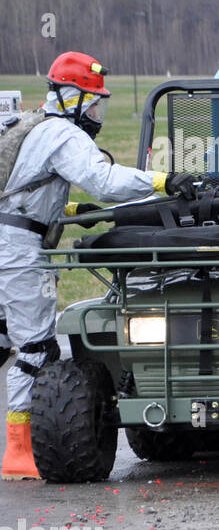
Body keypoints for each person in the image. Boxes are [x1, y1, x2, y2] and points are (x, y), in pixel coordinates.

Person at [1, 51, 196, 481]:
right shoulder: (62, 135)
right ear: (69, 98)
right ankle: (19, 450)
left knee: (2, 340)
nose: (96, 114)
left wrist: (69, 207)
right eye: (92, 103)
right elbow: (106, 183)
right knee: (36, 350)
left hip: (4, 239)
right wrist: (162, 182)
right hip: (17, 253)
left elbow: (19, 193)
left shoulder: (25, 125)